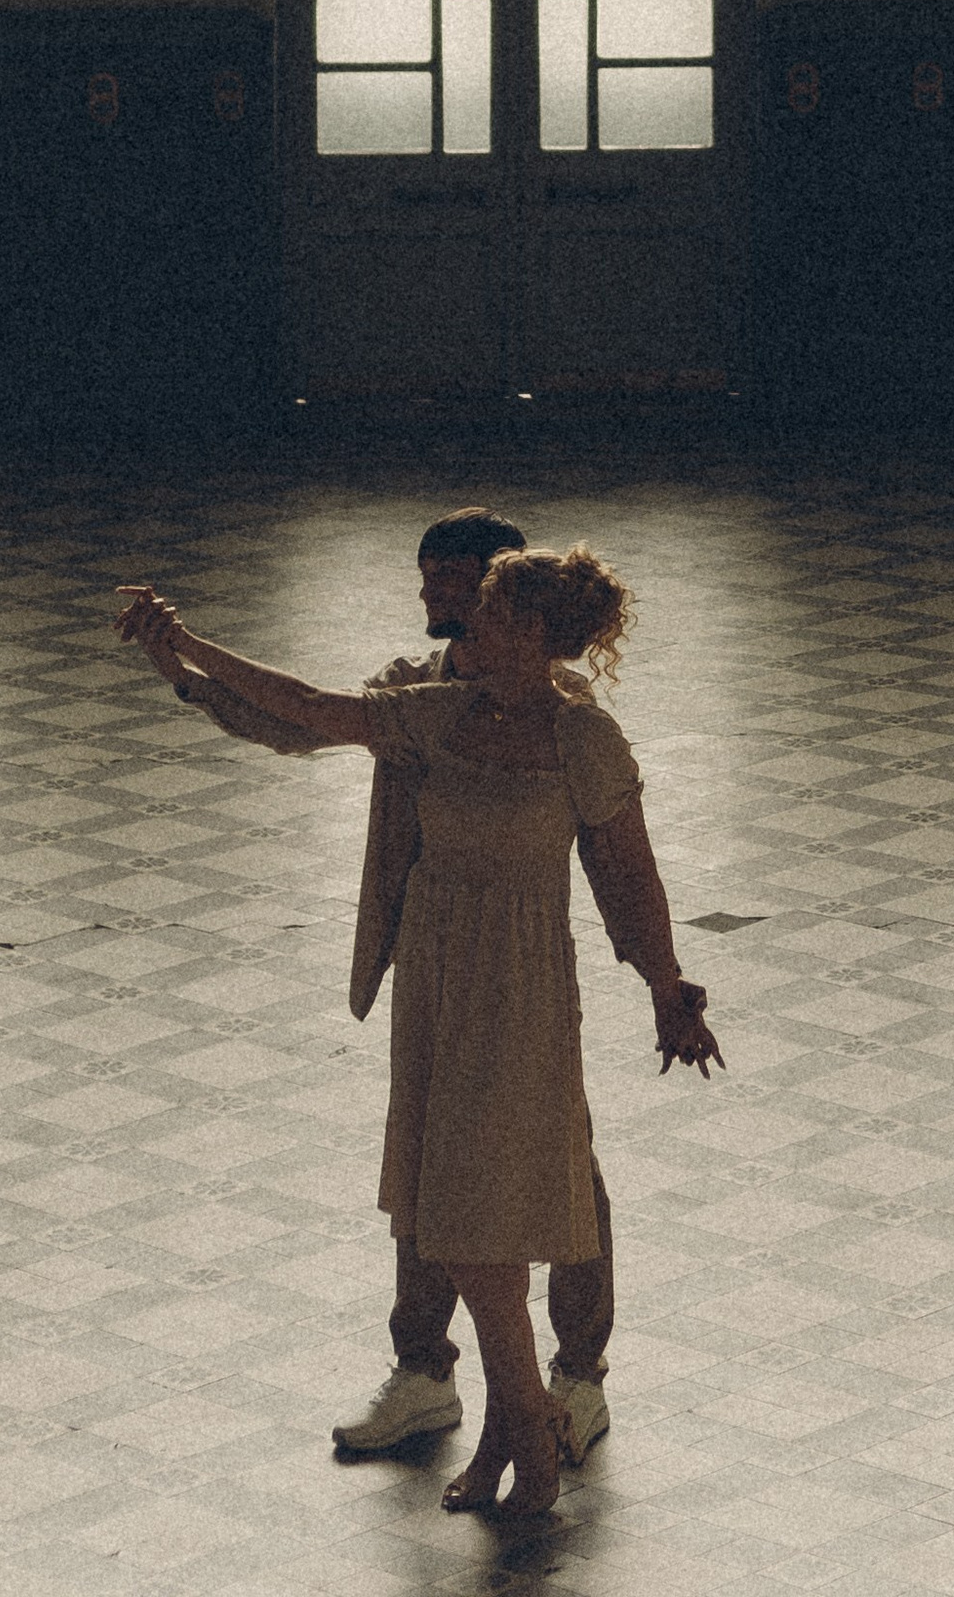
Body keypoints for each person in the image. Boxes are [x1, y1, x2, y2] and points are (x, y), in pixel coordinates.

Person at [113, 545, 721, 1520]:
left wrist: (668, 990)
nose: (461, 627)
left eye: (483, 613)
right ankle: (500, 1439)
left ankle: (527, 1431)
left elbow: (632, 877)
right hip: (437, 986)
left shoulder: (584, 742)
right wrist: (183, 652)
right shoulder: (437, 714)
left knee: (488, 1228)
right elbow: (307, 707)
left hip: (519, 993)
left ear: (531, 634)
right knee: (457, 1220)